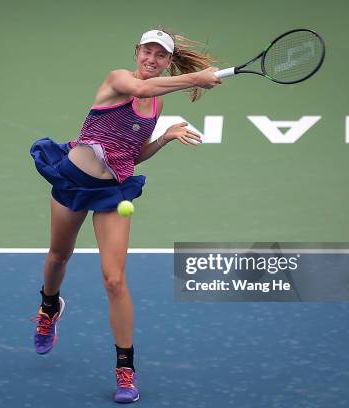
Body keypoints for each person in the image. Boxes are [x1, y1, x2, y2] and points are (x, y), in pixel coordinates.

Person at [29, 28, 221, 403]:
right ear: (137, 53)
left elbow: (131, 154)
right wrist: (196, 79)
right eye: (147, 52)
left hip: (112, 191)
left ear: (168, 61)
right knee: (57, 257)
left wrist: (164, 138)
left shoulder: (157, 106)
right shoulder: (120, 79)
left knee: (115, 280)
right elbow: (143, 89)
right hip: (72, 180)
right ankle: (49, 306)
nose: (152, 60)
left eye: (160, 55)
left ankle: (126, 370)